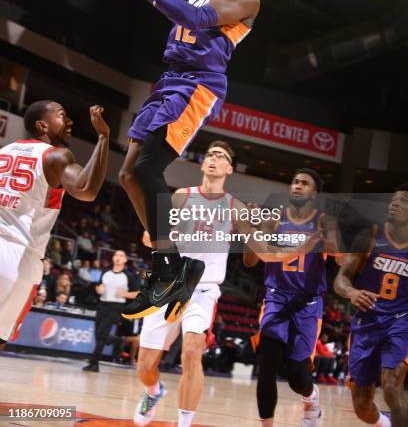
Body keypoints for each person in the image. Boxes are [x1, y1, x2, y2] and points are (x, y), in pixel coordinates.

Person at [110, 0, 273, 321]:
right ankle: (168, 265)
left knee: (146, 169)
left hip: (198, 87)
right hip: (169, 81)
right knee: (128, 175)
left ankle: (178, 265)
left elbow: (198, 19)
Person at [133, 141, 237, 426]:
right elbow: (149, 236)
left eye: (221, 156)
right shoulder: (182, 197)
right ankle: (153, 391)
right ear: (203, 165)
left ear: (229, 168)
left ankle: (184, 423)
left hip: (203, 290)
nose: (214, 158)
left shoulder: (235, 207)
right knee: (144, 367)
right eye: (210, 154)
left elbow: (258, 247)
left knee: (192, 352)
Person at [0, 101, 110, 350]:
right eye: (62, 115)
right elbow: (86, 190)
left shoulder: (5, 150)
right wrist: (103, 138)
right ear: (42, 125)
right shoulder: (56, 155)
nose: (69, 121)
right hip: (19, 256)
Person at [245, 169, 339, 427]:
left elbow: (339, 255)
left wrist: (327, 238)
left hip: (307, 303)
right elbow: (250, 260)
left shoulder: (323, 220)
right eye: (295, 181)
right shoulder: (274, 218)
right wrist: (252, 230)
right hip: (276, 298)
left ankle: (311, 397)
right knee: (266, 365)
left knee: (297, 375)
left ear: (315, 193)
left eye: (304, 183)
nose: (297, 186)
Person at [334, 185, 408, 427]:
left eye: (404, 201)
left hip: (401, 321)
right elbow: (341, 279)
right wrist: (352, 292)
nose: (395, 204)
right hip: (367, 322)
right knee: (362, 406)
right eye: (393, 200)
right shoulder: (371, 235)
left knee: (391, 387)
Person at [83, 250, 141, 372]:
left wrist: (125, 294)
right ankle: (96, 363)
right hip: (102, 305)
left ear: (125, 260)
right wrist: (98, 289)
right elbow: (98, 286)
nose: (118, 257)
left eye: (121, 255)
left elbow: (137, 294)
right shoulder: (105, 272)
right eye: (116, 255)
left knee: (101, 333)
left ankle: (95, 361)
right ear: (113, 258)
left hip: (116, 307)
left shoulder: (128, 276)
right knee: (99, 336)